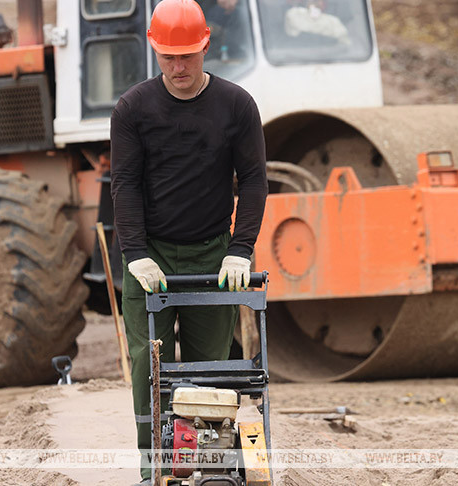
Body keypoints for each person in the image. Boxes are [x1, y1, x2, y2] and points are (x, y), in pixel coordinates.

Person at [109, 0, 267, 482]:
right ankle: (152, 470)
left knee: (211, 371)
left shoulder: (236, 105)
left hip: (211, 255)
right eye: (168, 57)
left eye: (188, 57)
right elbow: (125, 183)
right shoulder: (133, 109)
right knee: (148, 370)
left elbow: (255, 179)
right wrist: (135, 253)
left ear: (205, 48)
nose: (178, 68)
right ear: (155, 50)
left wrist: (240, 248)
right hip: (151, 258)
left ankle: (209, 470)